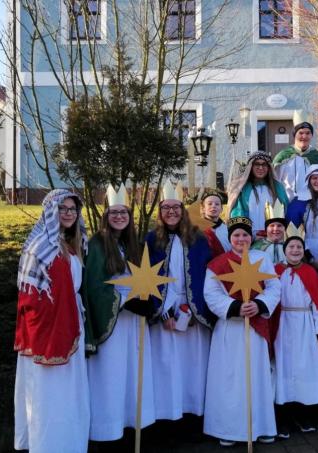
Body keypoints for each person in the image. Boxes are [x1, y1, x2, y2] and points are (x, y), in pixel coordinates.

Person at [14, 189, 90, 453]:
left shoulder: (74, 244)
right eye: (62, 208)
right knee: (49, 393)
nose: (68, 213)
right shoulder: (40, 248)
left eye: (72, 209)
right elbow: (29, 297)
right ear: (50, 211)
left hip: (72, 323)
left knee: (69, 392)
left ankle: (70, 444)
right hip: (48, 332)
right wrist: (51, 326)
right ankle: (48, 446)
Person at [83, 183, 155, 443]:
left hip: (135, 323)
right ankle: (107, 432)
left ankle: (132, 430)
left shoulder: (132, 244)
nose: (119, 217)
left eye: (123, 213)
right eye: (114, 213)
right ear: (105, 216)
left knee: (134, 374)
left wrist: (146, 299)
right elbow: (93, 285)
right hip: (112, 323)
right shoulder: (97, 244)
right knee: (111, 376)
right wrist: (124, 301)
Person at [144, 181, 216, 441]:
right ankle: (167, 421)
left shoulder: (198, 239)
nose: (172, 212)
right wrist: (163, 312)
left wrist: (197, 310)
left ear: (183, 211)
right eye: (167, 208)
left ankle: (194, 419)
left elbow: (207, 275)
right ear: (160, 212)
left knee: (193, 368)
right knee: (166, 368)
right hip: (165, 314)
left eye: (176, 207)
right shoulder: (151, 240)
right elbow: (146, 279)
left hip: (193, 313)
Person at [203, 217, 282, 447]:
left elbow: (274, 286)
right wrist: (236, 307)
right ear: (230, 239)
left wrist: (259, 304)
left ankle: (263, 426)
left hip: (255, 326)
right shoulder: (218, 263)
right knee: (230, 379)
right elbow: (212, 294)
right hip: (231, 328)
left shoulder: (263, 259)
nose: (241, 239)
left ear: (251, 237)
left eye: (245, 235)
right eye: (236, 235)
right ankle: (228, 429)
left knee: (257, 376)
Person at [270, 223, 318, 438]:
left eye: (299, 247)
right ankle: (283, 417)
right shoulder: (276, 271)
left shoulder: (309, 272)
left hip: (305, 326)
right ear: (285, 250)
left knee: (305, 368)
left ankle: (304, 414)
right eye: (291, 247)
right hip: (283, 325)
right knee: (284, 368)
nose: (296, 250)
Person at [227, 151, 290, 236]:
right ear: (251, 167)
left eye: (264, 164)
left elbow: (285, 212)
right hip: (249, 237)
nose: (261, 168)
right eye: (257, 164)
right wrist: (245, 235)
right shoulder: (242, 188)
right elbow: (238, 213)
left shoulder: (277, 187)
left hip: (273, 237)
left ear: (269, 167)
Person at [273, 121, 318, 201]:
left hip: (312, 203)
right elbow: (274, 182)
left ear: (311, 136)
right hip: (287, 203)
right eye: (301, 133)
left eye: (308, 133)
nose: (304, 136)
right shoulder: (282, 157)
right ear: (294, 135)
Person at [252, 200, 288, 264]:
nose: (276, 228)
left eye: (279, 226)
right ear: (266, 229)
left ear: (284, 228)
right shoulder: (257, 247)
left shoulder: (291, 246)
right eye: (272, 226)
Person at [200, 191, 231, 257]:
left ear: (221, 209)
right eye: (209, 204)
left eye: (217, 204)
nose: (213, 206)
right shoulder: (197, 229)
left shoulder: (228, 230)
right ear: (203, 208)